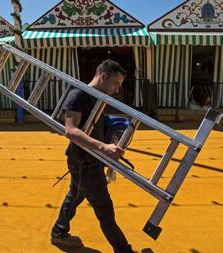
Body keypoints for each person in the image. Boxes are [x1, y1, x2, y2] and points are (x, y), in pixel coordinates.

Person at [51, 60, 134, 253]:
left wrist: (111, 140)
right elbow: (71, 131)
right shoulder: (78, 94)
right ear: (103, 76)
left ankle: (58, 232)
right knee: (105, 210)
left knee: (75, 196)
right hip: (84, 163)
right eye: (116, 83)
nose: (117, 89)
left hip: (88, 160)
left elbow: (95, 128)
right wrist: (103, 147)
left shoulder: (98, 97)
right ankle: (124, 250)